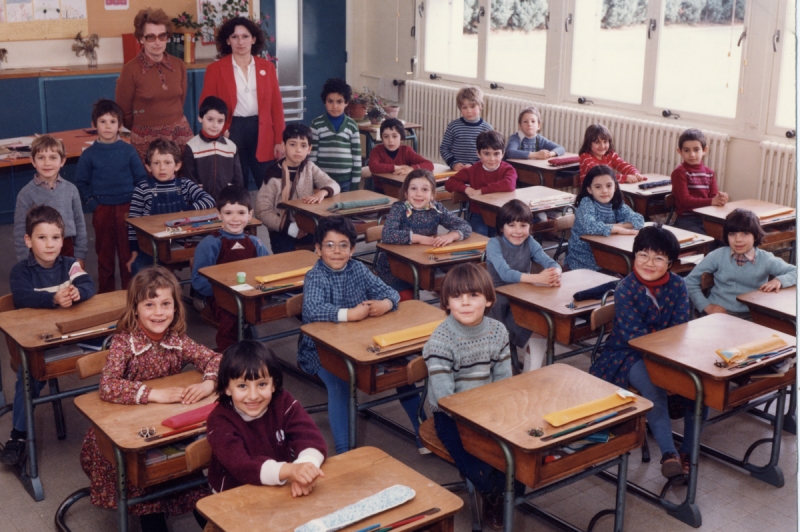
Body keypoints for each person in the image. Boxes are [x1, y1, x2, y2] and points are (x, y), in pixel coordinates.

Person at [79, 266, 220, 532]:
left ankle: (208, 517)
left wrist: (208, 383)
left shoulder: (176, 339)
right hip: (126, 435)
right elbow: (107, 386)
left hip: (166, 427)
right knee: (146, 496)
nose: (158, 312)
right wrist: (155, 394)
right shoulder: (124, 342)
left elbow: (214, 358)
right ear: (135, 309)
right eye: (149, 304)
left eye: (166, 304)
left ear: (176, 308)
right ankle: (153, 513)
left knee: (193, 485)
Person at [298, 216, 424, 455]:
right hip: (320, 351)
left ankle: (422, 432)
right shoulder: (315, 276)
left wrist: (386, 303)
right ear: (317, 249)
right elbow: (311, 309)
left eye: (343, 245)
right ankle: (345, 451)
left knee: (404, 374)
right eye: (329, 245)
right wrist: (350, 315)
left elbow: (389, 292)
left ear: (353, 249)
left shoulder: (357, 269)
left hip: (360, 344)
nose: (337, 251)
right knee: (340, 384)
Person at [590, 226, 704, 479]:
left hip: (669, 353)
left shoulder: (678, 286)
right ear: (633, 257)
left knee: (699, 388)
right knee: (655, 387)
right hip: (626, 354)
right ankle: (668, 455)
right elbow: (636, 338)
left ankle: (687, 452)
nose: (649, 263)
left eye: (659, 258)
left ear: (670, 263)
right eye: (643, 255)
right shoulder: (626, 288)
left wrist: (673, 365)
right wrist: (667, 371)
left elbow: (679, 329)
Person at [423, 263, 523, 530]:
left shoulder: (498, 331)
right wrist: (479, 423)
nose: (465, 303)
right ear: (446, 303)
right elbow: (445, 398)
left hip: (489, 409)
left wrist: (498, 414)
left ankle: (505, 490)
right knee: (478, 466)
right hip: (450, 416)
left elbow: (503, 381)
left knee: (519, 457)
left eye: (474, 295)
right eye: (457, 297)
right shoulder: (441, 341)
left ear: (489, 299)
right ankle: (492, 495)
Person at [1, 206, 96, 466]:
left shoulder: (70, 265)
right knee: (27, 378)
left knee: (116, 347)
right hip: (39, 345)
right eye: (41, 238)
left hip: (72, 337)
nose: (50, 244)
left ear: (63, 240)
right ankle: (18, 436)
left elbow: (88, 284)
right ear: (28, 241)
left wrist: (79, 294)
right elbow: (22, 297)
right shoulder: (21, 271)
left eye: (55, 238)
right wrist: (52, 299)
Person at [206, 340, 327, 495]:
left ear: (273, 384)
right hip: (234, 496)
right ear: (227, 388)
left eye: (262, 384)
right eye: (242, 386)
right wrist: (291, 470)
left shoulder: (283, 401)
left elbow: (312, 439)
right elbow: (242, 467)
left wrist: (305, 472)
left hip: (278, 484)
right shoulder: (220, 420)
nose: (253, 395)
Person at [199, 16, 286, 190]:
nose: (240, 42)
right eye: (234, 37)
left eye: (245, 36)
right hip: (232, 130)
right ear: (227, 40)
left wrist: (280, 139)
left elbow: (276, 106)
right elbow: (206, 105)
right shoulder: (215, 69)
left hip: (262, 130)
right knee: (236, 184)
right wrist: (220, 132)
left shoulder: (267, 68)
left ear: (253, 39)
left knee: (269, 184)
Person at [76, 99, 148, 292]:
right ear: (94, 125)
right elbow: (82, 183)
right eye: (103, 121)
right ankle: (106, 296)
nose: (108, 126)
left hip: (128, 209)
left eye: (112, 122)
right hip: (103, 210)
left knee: (128, 255)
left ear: (120, 125)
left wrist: (136, 205)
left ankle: (129, 295)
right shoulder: (89, 154)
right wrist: (94, 205)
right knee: (105, 257)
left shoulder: (128, 150)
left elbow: (141, 179)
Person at [486, 200, 561, 372]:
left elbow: (550, 262)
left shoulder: (530, 242)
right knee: (499, 349)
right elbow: (505, 273)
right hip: (496, 305)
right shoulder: (494, 244)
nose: (518, 231)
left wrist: (555, 273)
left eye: (523, 225)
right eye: (511, 225)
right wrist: (539, 278)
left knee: (541, 329)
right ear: (501, 227)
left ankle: (530, 375)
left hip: (520, 300)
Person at [191, 186, 269, 351]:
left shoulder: (256, 242)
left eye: (241, 213)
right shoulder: (211, 243)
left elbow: (268, 270)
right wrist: (223, 291)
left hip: (250, 294)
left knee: (270, 307)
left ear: (250, 214)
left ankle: (250, 347)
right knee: (230, 314)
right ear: (219, 215)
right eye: (228, 213)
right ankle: (227, 353)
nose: (235, 218)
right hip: (221, 297)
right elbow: (198, 281)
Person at [374, 169, 472, 300]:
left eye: (425, 190)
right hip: (396, 267)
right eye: (413, 188)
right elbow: (387, 234)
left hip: (426, 263)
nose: (419, 194)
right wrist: (419, 239)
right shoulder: (399, 208)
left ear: (432, 194)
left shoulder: (436, 208)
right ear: (406, 192)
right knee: (408, 302)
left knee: (454, 293)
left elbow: (465, 226)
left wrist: (450, 236)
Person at [127, 139, 215, 275]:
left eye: (167, 163)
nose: (162, 168)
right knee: (140, 270)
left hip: (182, 244)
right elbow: (133, 226)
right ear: (148, 167)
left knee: (210, 262)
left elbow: (209, 200)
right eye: (156, 163)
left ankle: (203, 293)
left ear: (177, 165)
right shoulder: (142, 189)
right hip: (152, 248)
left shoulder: (185, 185)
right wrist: (134, 253)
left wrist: (186, 211)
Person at [686, 209, 796, 317]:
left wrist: (779, 280)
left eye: (745, 233)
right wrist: (707, 306)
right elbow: (689, 281)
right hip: (719, 313)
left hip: (753, 316)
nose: (738, 239)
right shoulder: (717, 256)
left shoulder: (766, 259)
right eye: (732, 234)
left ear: (756, 236)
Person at [116, 8, 193, 162]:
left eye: (162, 36)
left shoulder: (178, 65)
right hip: (146, 141)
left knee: (183, 182)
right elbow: (124, 112)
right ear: (141, 39)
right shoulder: (130, 70)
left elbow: (180, 101)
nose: (157, 42)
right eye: (150, 37)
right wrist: (145, 128)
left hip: (179, 136)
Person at [256, 123, 340, 254]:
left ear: (309, 149)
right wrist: (290, 228)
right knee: (287, 264)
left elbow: (334, 185)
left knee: (325, 249)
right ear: (283, 146)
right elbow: (262, 210)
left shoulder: (310, 167)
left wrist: (323, 192)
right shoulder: (272, 174)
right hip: (282, 229)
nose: (298, 150)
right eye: (292, 144)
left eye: (303, 145)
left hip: (308, 226)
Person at [14, 135, 88, 267]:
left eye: (53, 157)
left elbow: (80, 225)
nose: (47, 163)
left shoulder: (71, 190)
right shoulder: (25, 194)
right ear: (33, 161)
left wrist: (80, 255)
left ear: (62, 161)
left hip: (67, 248)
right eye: (41, 158)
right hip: (39, 249)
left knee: (68, 285)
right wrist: (24, 262)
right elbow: (20, 231)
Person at [565, 165, 645, 271]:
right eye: (598, 187)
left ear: (615, 187)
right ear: (589, 189)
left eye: (609, 186)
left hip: (606, 252)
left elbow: (639, 220)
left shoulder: (615, 203)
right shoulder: (587, 203)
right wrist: (619, 229)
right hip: (583, 259)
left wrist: (619, 227)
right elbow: (590, 227)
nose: (604, 191)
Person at [444, 130, 517, 237]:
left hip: (502, 215)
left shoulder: (508, 169)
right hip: (479, 214)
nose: (492, 159)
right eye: (486, 154)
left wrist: (481, 191)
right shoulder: (473, 170)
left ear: (503, 153)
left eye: (496, 154)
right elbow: (450, 183)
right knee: (480, 236)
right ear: (478, 153)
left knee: (500, 239)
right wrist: (466, 189)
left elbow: (509, 185)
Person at [183, 96, 244, 201]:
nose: (215, 125)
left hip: (226, 201)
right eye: (210, 119)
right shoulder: (192, 146)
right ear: (200, 118)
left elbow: (238, 180)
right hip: (200, 202)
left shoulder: (231, 147)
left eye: (220, 121)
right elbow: (189, 179)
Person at [671, 128, 728, 234]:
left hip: (708, 217)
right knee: (706, 242)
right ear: (680, 151)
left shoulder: (709, 173)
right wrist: (712, 201)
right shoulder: (679, 172)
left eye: (696, 150)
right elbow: (685, 201)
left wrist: (720, 199)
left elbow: (713, 197)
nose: (692, 154)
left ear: (704, 150)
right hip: (688, 219)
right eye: (686, 150)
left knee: (726, 236)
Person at [309, 78, 361, 192]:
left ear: (346, 102)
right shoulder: (316, 124)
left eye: (339, 101)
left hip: (346, 182)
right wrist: (314, 181)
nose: (334, 106)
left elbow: (357, 158)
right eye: (330, 101)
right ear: (324, 102)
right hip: (324, 182)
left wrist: (355, 184)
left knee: (345, 209)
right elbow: (312, 157)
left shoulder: (352, 126)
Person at [439, 86, 494, 171]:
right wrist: (454, 163)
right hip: (457, 170)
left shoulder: (487, 129)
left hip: (479, 170)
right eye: (464, 107)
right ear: (460, 108)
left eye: (472, 106)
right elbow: (444, 148)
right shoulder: (453, 126)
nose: (469, 111)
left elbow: (490, 152)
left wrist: (475, 165)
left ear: (481, 107)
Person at [578, 124, 644, 183]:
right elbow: (600, 176)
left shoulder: (610, 154)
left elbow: (624, 165)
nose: (602, 146)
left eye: (605, 142)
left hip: (606, 192)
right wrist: (624, 178)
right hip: (590, 194)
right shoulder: (585, 157)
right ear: (589, 143)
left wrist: (635, 173)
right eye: (597, 142)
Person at [367, 118, 434, 177]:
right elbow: (373, 166)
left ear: (401, 138)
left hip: (402, 187)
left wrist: (411, 168)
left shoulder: (406, 151)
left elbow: (429, 164)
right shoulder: (377, 151)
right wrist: (397, 168)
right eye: (386, 136)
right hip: (380, 189)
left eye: (394, 136)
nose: (390, 140)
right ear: (381, 138)